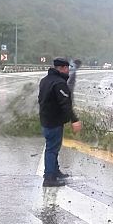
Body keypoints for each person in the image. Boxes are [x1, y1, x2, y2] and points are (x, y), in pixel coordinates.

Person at [38, 57, 83, 187]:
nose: (69, 71)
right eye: (67, 68)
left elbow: (41, 99)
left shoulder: (45, 81)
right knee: (52, 149)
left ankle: (55, 171)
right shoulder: (59, 83)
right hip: (53, 121)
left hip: (46, 120)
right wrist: (74, 120)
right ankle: (49, 177)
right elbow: (65, 105)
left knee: (53, 147)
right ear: (62, 68)